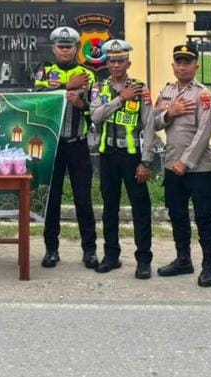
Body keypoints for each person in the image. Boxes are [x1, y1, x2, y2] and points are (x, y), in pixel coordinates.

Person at [153, 43, 211, 287]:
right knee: (177, 214)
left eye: (187, 62)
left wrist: (186, 161)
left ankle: (209, 266)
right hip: (172, 165)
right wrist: (170, 112)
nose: (182, 67)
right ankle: (183, 260)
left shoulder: (203, 95)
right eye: (178, 62)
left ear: (196, 66)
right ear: (173, 65)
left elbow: (204, 132)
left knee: (204, 217)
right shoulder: (167, 91)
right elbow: (153, 122)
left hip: (198, 168)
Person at [34, 26, 99, 269]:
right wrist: (66, 87)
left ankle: (89, 251)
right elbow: (36, 97)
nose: (64, 50)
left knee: (83, 199)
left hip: (78, 144)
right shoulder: (44, 71)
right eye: (60, 47)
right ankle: (51, 250)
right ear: (53, 49)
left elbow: (97, 110)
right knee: (51, 200)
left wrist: (82, 104)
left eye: (69, 46)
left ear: (77, 48)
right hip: (52, 145)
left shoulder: (88, 74)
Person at [89, 39, 154, 278]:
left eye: (121, 61)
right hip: (108, 155)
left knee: (141, 209)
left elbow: (149, 125)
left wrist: (146, 161)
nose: (116, 65)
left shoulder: (140, 88)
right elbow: (95, 116)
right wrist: (120, 99)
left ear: (128, 63)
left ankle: (144, 259)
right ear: (107, 63)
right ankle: (111, 255)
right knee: (110, 208)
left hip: (132, 157)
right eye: (112, 61)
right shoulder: (100, 88)